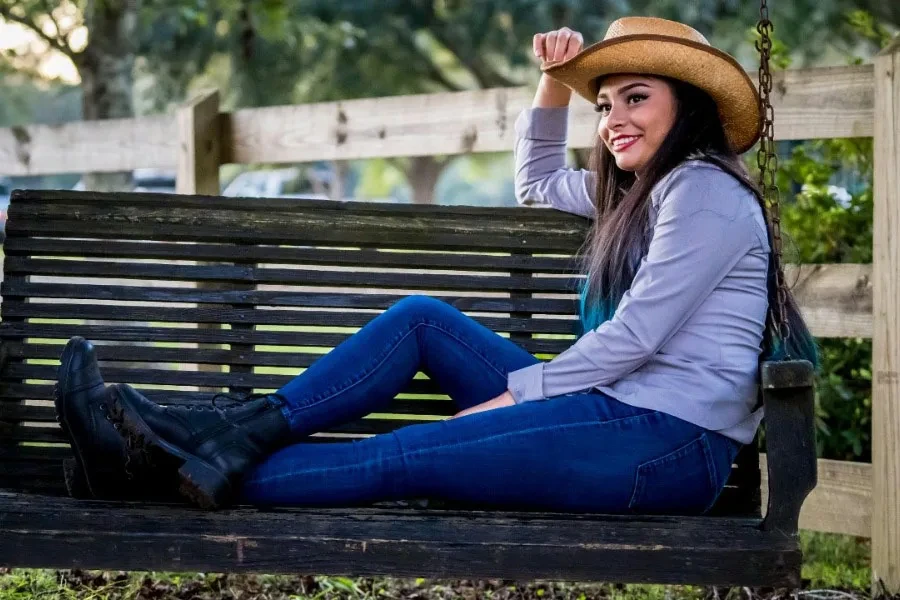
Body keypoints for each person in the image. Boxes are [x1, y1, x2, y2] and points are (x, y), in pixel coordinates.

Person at [55, 16, 818, 512]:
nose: (615, 120)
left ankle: (146, 476)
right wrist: (554, 80)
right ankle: (223, 435)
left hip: (667, 444)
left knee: (405, 455)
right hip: (621, 411)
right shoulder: (641, 190)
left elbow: (636, 339)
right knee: (422, 322)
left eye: (637, 99)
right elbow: (536, 183)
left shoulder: (705, 196)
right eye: (605, 103)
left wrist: (512, 401)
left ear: (686, 108)